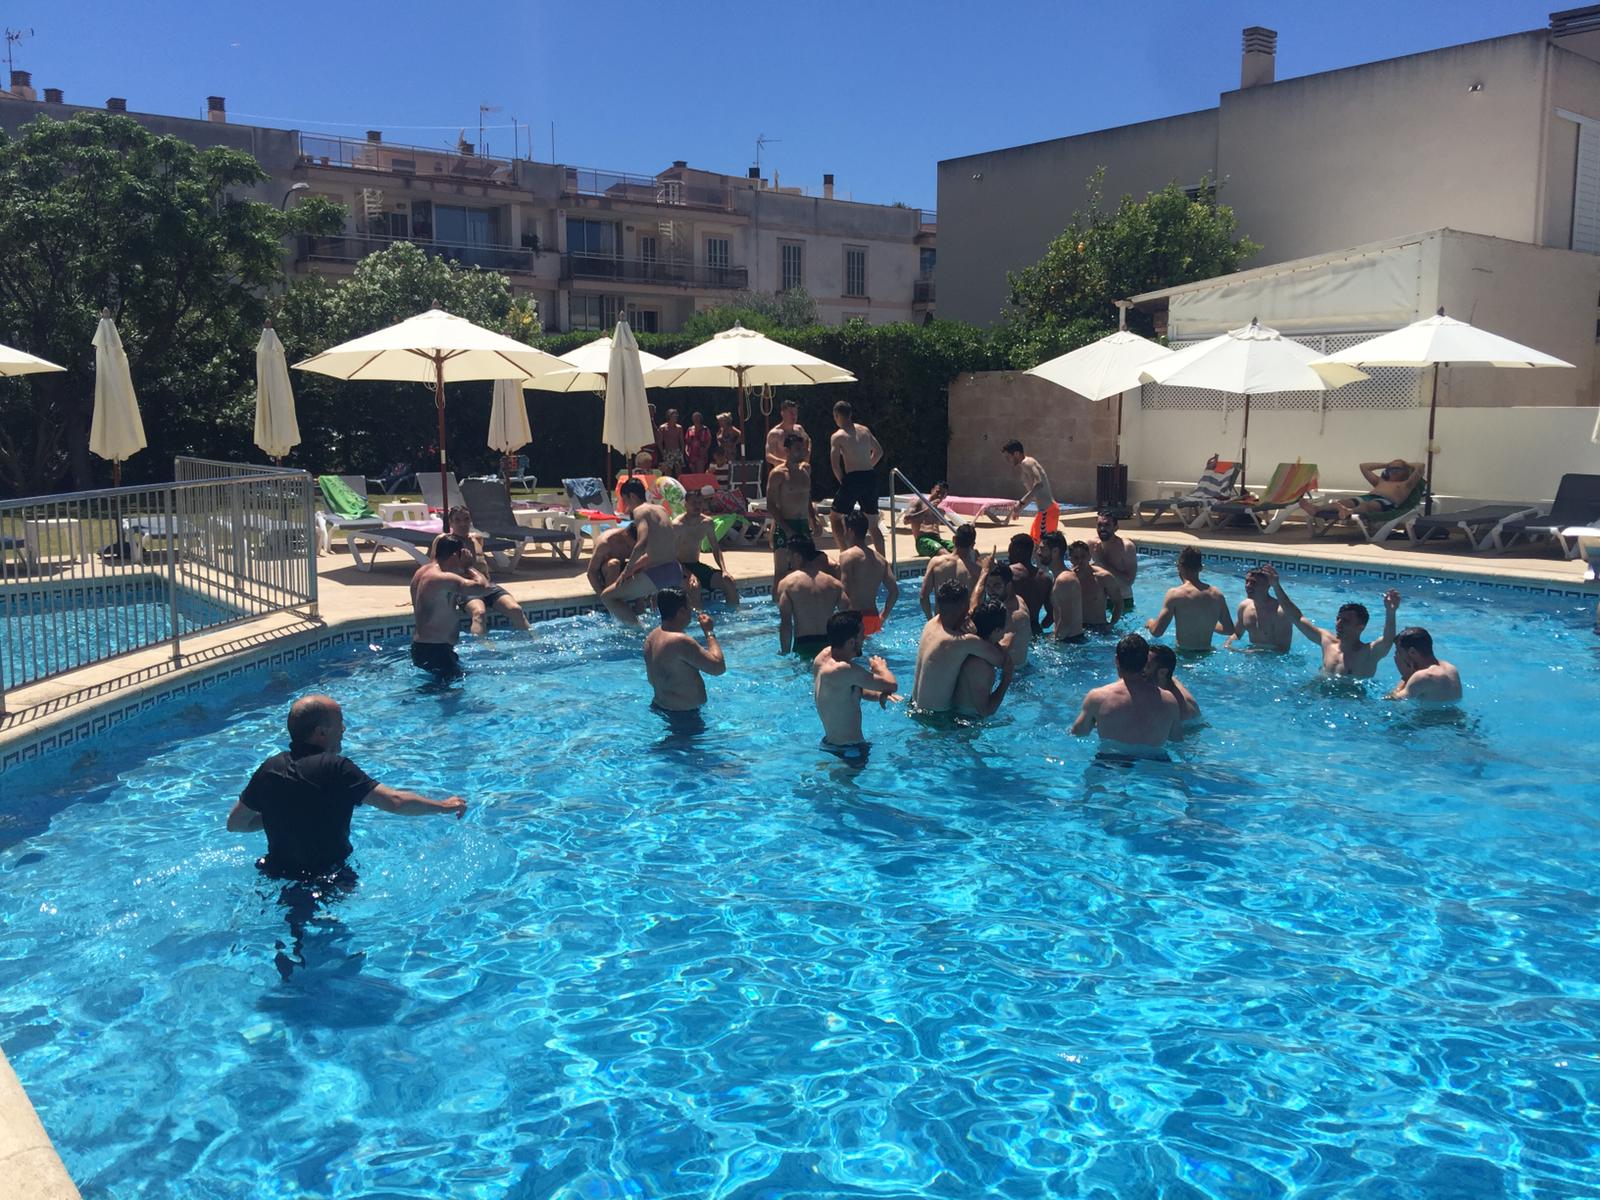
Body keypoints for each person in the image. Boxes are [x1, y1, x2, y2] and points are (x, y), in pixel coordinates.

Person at [228, 695, 467, 880]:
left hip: (276, 873)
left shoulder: (270, 768)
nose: (343, 729)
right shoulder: (336, 767)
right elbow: (395, 802)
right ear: (321, 733)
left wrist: (281, 814)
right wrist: (444, 806)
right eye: (340, 723)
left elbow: (236, 824)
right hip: (330, 878)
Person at [1070, 633, 1182, 756]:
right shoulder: (1169, 700)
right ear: (1145, 662)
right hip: (1154, 763)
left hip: (1110, 762)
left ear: (1117, 660)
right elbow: (1176, 740)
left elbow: (1079, 733)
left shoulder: (1098, 698)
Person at [911, 579, 1011, 712]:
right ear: (964, 607)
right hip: (936, 720)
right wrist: (1007, 680)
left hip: (913, 706)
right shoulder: (962, 641)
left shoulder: (931, 624)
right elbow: (1002, 661)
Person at [812, 609, 900, 757]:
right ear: (851, 642)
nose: (864, 638)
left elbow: (850, 691)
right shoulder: (844, 669)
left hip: (830, 743)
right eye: (862, 635)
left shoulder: (822, 658)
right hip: (850, 751)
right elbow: (891, 685)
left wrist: (879, 695)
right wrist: (881, 668)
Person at [1274, 577, 1402, 678]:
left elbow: (1388, 639)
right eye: (1338, 619)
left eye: (1346, 621)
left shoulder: (1369, 653)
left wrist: (1391, 612)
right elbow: (1298, 618)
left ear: (1360, 627)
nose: (1339, 624)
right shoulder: (1327, 641)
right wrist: (1276, 586)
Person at [433, 506, 531, 637]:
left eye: (466, 519)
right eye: (457, 520)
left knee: (516, 609)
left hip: (488, 586)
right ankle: (483, 648)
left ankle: (534, 641)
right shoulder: (444, 541)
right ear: (450, 523)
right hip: (465, 588)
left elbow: (481, 562)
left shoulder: (477, 538)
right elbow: (433, 567)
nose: (462, 523)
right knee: (479, 613)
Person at [410, 533, 495, 677]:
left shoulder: (421, 572)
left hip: (424, 647)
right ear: (456, 555)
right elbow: (484, 587)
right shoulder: (441, 578)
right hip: (436, 651)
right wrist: (469, 567)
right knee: (450, 696)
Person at [601, 478, 680, 625]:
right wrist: (637, 566)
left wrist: (627, 571)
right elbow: (664, 542)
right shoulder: (661, 509)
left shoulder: (640, 511)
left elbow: (641, 543)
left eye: (625, 500)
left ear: (632, 496)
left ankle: (638, 632)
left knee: (607, 597)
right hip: (675, 570)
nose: (626, 507)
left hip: (659, 573)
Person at [643, 588, 726, 713]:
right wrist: (709, 632)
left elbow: (651, 680)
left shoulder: (651, 638)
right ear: (681, 611)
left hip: (660, 707)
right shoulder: (680, 642)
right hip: (685, 716)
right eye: (689, 607)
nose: (692, 612)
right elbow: (718, 667)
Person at [1146, 546, 1234, 651]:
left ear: (1179, 566)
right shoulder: (1216, 594)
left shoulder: (1175, 594)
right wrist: (1209, 625)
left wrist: (1150, 623)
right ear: (1201, 568)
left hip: (1184, 654)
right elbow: (1229, 629)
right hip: (1207, 653)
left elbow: (1157, 632)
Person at [766, 431, 822, 593]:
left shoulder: (806, 469)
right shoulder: (777, 474)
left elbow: (807, 496)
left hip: (803, 525)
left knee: (808, 569)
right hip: (785, 526)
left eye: (803, 449)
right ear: (787, 451)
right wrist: (786, 529)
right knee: (781, 573)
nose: (802, 452)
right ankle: (777, 611)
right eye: (798, 449)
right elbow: (771, 505)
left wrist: (813, 518)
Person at [828, 400, 885, 554]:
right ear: (850, 414)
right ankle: (883, 563)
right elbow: (879, 451)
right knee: (873, 523)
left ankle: (844, 553)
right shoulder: (864, 430)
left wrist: (842, 480)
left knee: (835, 517)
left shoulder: (837, 436)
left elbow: (835, 464)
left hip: (853, 478)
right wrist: (868, 465)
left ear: (836, 415)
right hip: (870, 477)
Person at [776, 537, 846, 656]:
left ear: (797, 556)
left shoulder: (787, 584)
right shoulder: (834, 584)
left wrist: (785, 653)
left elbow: (786, 624)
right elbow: (849, 616)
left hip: (804, 645)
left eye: (789, 554)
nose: (787, 559)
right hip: (829, 646)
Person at [674, 486, 741, 609]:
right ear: (685, 504)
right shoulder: (677, 525)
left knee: (728, 582)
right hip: (678, 568)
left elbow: (715, 548)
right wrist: (688, 573)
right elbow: (670, 555)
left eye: (700, 503)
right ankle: (699, 620)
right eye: (694, 503)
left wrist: (724, 570)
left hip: (696, 565)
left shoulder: (707, 523)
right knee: (695, 587)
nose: (697, 506)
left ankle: (735, 617)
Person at [1300, 459, 1424, 522]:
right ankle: (1316, 509)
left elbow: (1421, 467)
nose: (1393, 472)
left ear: (1405, 472)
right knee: (1345, 501)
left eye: (1397, 469)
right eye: (1390, 469)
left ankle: (1349, 512)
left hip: (1386, 502)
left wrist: (1405, 464)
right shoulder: (1380, 481)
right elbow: (1363, 466)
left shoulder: (1406, 484)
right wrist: (1386, 464)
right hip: (1369, 496)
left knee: (1368, 505)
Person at [837, 511, 898, 636]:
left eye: (844, 530)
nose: (843, 534)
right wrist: (883, 616)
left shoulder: (847, 556)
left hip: (853, 618)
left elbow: (844, 592)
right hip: (873, 618)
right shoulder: (880, 559)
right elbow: (894, 591)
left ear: (850, 531)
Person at [952, 599, 1016, 718]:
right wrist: (1007, 678)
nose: (1008, 627)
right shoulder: (979, 665)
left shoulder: (983, 647)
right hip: (966, 724)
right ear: (996, 630)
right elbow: (985, 711)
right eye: (1006, 623)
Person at [973, 553, 1030, 666]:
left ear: (1008, 584)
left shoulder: (1013, 614)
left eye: (997, 586)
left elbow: (1004, 647)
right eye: (988, 586)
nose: (991, 591)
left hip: (1016, 675)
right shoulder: (1016, 599)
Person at [1226, 563, 1293, 652]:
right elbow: (1237, 633)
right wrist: (1228, 643)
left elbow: (1283, 649)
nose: (1248, 586)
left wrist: (1255, 652)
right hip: (1251, 657)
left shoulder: (1279, 612)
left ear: (1267, 585)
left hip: (1274, 662)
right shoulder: (1244, 607)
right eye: (1247, 581)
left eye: (1253, 583)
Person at [1002, 440, 1058, 542]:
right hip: (1044, 512)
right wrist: (1020, 508)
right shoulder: (1024, 470)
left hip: (1047, 511)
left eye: (1008, 457)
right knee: (1033, 543)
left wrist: (1021, 502)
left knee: (1040, 546)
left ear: (1017, 454)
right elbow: (1033, 494)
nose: (1007, 460)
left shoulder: (1027, 462)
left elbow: (1039, 483)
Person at [1387, 626, 1462, 701]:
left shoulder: (1423, 677)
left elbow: (1391, 700)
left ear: (1412, 652)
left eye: (1399, 652)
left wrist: (1405, 677)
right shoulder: (1450, 667)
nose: (1397, 656)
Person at [919, 523, 979, 617]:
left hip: (941, 623)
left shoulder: (935, 563)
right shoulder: (977, 570)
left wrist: (931, 620)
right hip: (964, 625)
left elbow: (923, 596)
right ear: (972, 545)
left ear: (954, 539)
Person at [1039, 531, 1084, 642]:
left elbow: (1066, 621)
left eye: (1042, 549)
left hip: (1071, 643)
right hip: (1068, 639)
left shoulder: (1064, 580)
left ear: (1055, 552)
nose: (1038, 552)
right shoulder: (1058, 577)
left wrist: (1054, 644)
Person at [1068, 540, 1118, 632]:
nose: (1080, 561)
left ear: (1089, 556)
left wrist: (1111, 624)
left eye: (1083, 556)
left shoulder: (1104, 577)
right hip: (1076, 628)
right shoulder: (1066, 580)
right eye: (1076, 557)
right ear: (1070, 559)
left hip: (1099, 627)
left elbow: (1118, 603)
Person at [1091, 513, 1137, 613]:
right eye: (1099, 525)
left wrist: (1102, 563)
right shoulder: (1091, 545)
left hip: (1123, 600)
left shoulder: (1126, 547)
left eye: (1107, 525)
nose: (1102, 528)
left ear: (1116, 527)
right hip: (1099, 600)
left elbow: (1129, 581)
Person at [1146, 643, 1202, 725]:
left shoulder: (1182, 711)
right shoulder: (1166, 679)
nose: (1140, 669)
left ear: (1162, 673)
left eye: (1147, 666)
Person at [1006, 533, 1051, 631]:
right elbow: (1051, 616)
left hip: (1013, 630)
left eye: (1010, 551)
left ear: (1016, 551)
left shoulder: (1008, 573)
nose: (1008, 555)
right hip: (1035, 629)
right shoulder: (1045, 578)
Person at [586, 523, 637, 594]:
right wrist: (601, 595)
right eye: (629, 546)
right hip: (604, 574)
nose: (632, 548)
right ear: (626, 534)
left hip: (621, 571)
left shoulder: (635, 541)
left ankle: (640, 603)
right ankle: (610, 595)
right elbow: (591, 572)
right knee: (614, 564)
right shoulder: (606, 544)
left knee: (642, 563)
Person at [903, 482, 953, 556]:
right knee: (945, 554)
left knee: (959, 548)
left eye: (943, 494)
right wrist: (927, 509)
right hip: (923, 541)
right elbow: (906, 520)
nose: (939, 496)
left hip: (938, 540)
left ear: (945, 496)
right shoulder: (918, 503)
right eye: (937, 492)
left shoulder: (941, 511)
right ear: (932, 490)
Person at [764, 398, 811, 468]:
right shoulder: (774, 433)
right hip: (782, 472)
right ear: (782, 413)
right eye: (791, 413)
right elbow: (768, 456)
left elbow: (808, 441)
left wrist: (806, 459)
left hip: (799, 471)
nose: (794, 416)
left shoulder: (799, 429)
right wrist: (787, 464)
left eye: (796, 413)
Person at [657, 408, 687, 476]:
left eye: (676, 415)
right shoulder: (663, 428)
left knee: (679, 470)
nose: (676, 417)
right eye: (674, 416)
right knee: (668, 471)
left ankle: (679, 484)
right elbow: (660, 442)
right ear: (669, 416)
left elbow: (681, 441)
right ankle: (668, 485)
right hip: (668, 452)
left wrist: (682, 452)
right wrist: (663, 452)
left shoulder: (679, 428)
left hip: (677, 451)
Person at [684, 411, 713, 475]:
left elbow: (709, 441)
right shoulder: (690, 429)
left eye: (697, 418)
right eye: (694, 418)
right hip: (692, 454)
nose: (696, 419)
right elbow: (687, 442)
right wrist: (686, 451)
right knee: (693, 472)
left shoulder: (705, 429)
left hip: (701, 453)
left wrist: (705, 450)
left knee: (700, 472)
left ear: (700, 419)